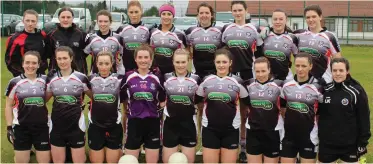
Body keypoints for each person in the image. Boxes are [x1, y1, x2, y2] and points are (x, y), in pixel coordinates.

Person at [222, 2, 264, 162]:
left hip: (249, 75)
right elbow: (222, 52)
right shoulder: (226, 30)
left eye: (240, 10)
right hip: (231, 75)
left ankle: (246, 147)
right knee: (232, 110)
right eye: (235, 10)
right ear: (231, 12)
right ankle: (233, 144)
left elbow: (260, 52)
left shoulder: (254, 30)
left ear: (246, 11)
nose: (238, 13)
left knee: (248, 111)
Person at [195, 48, 250, 163]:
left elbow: (247, 102)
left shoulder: (238, 81)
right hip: (210, 129)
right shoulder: (206, 81)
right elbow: (197, 99)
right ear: (214, 63)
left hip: (231, 130)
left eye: (224, 62)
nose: (221, 65)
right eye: (218, 62)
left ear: (230, 63)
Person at [318, 57, 371, 163]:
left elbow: (364, 117)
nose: (338, 73)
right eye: (335, 70)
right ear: (331, 72)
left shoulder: (356, 91)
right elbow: (320, 116)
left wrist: (362, 142)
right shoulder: (325, 90)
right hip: (327, 145)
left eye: (341, 70)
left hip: (349, 145)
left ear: (347, 71)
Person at [45, 46, 93, 163]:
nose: (62, 61)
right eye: (59, 59)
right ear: (56, 60)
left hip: (76, 125)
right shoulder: (52, 78)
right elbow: (44, 99)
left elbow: (94, 97)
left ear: (71, 58)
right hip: (57, 124)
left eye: (65, 58)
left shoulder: (81, 78)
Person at [121, 44, 166, 163]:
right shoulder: (128, 76)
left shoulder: (157, 77)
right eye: (140, 57)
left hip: (153, 123)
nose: (143, 60)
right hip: (134, 123)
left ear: (151, 59)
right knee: (130, 161)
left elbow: (162, 100)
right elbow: (123, 97)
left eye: (146, 57)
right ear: (135, 59)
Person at [5, 51, 50, 163]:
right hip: (21, 127)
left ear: (39, 65)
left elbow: (49, 96)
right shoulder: (14, 82)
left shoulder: (46, 80)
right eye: (27, 62)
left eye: (34, 63)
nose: (30, 66)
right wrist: (9, 127)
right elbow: (8, 105)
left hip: (42, 127)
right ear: (23, 64)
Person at [280, 52, 323, 163]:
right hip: (289, 136)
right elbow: (282, 107)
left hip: (309, 137)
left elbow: (322, 111)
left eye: (304, 66)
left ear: (310, 66)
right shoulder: (286, 86)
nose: (300, 69)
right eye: (297, 65)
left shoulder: (318, 87)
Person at [162, 49, 200, 163]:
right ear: (173, 62)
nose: (180, 65)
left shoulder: (196, 79)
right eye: (177, 62)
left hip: (188, 123)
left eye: (183, 62)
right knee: (168, 160)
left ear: (188, 61)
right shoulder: (165, 77)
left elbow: (199, 100)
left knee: (188, 161)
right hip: (170, 123)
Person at [87, 51, 126, 163]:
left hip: (114, 125)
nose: (104, 67)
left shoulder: (119, 79)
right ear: (96, 64)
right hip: (95, 125)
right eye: (101, 63)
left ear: (111, 64)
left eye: (107, 63)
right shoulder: (89, 80)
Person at [244, 57, 283, 163]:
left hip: (272, 131)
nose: (260, 74)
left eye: (263, 71)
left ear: (269, 70)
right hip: (253, 131)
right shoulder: (247, 84)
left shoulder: (280, 85)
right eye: (257, 71)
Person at [295, 5, 341, 83]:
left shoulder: (330, 36)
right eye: (308, 17)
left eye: (314, 16)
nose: (311, 20)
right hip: (303, 79)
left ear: (320, 17)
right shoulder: (299, 34)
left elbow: (338, 59)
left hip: (324, 80)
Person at [185, 2, 223, 80]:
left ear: (211, 15)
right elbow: (187, 52)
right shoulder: (190, 31)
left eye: (207, 13)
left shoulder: (220, 31)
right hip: (198, 72)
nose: (204, 15)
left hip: (216, 73)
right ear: (198, 15)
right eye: (201, 13)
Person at [5, 9, 48, 77]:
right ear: (23, 21)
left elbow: (45, 55)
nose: (30, 24)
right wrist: (22, 75)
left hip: (40, 76)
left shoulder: (43, 35)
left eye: (33, 21)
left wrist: (42, 68)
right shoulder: (15, 39)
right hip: (23, 77)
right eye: (27, 21)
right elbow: (10, 61)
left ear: (37, 22)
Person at [47, 7, 89, 75]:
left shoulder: (82, 34)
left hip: (78, 72)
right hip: (57, 73)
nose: (65, 19)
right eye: (63, 17)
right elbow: (48, 54)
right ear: (59, 18)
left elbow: (86, 52)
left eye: (68, 17)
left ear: (72, 18)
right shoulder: (51, 35)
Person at [117, 0, 157, 73]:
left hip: (144, 69)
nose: (134, 15)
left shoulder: (148, 29)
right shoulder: (121, 29)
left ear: (141, 12)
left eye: (136, 12)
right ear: (128, 13)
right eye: (131, 12)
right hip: (127, 69)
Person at [150, 3, 187, 75]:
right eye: (163, 14)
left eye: (169, 14)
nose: (166, 17)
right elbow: (150, 51)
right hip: (156, 72)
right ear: (160, 15)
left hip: (173, 72)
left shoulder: (180, 34)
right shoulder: (153, 32)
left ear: (173, 16)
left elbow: (186, 54)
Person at [84, 10, 124, 75]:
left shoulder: (118, 38)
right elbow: (83, 57)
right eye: (100, 21)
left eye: (106, 21)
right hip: (95, 76)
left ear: (110, 22)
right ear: (97, 22)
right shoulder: (91, 38)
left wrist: (121, 73)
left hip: (114, 76)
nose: (103, 24)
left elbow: (123, 58)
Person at [263, 9, 298, 80]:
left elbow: (298, 58)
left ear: (286, 20)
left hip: (286, 78)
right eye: (275, 19)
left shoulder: (292, 37)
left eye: (281, 19)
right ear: (271, 21)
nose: (278, 22)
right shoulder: (264, 35)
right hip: (267, 78)